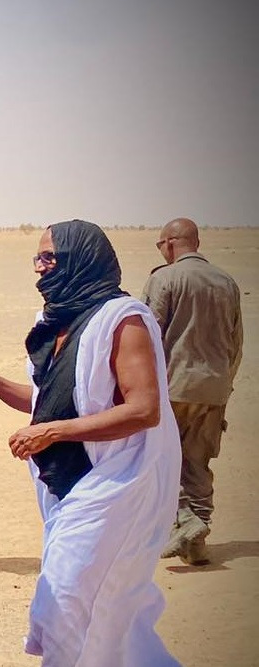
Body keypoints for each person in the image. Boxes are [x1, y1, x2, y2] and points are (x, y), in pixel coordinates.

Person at [0, 220, 192, 667]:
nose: (40, 269)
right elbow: (49, 402)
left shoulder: (124, 320)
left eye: (49, 259)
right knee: (105, 602)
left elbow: (144, 408)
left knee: (64, 598)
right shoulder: (60, 319)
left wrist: (54, 432)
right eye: (37, 259)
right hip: (74, 482)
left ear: (81, 259)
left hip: (120, 483)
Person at [142, 217, 243, 565]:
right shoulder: (226, 282)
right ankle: (196, 543)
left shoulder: (165, 279)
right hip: (214, 388)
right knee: (198, 462)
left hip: (173, 387)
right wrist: (224, 386)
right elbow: (236, 341)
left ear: (170, 243)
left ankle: (185, 519)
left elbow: (148, 336)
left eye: (160, 244)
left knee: (160, 459)